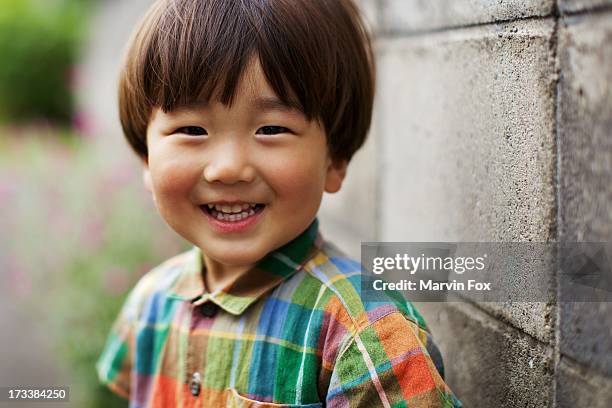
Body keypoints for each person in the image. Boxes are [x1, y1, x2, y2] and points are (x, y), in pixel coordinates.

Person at [96, 0, 462, 406]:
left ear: (334, 159)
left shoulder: (366, 333)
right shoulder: (150, 304)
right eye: (192, 129)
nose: (228, 169)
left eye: (271, 128)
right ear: (146, 158)